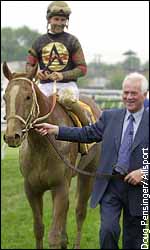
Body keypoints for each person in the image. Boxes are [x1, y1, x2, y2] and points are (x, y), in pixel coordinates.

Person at [34, 72, 149, 249]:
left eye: (134, 93)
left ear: (145, 94)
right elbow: (87, 133)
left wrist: (145, 171)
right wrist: (56, 129)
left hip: (139, 190)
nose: (129, 97)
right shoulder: (110, 117)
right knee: (107, 231)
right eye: (126, 93)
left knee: (135, 241)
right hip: (110, 185)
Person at [26, 1, 93, 125]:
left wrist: (62, 75)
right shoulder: (39, 42)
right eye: (56, 19)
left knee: (67, 99)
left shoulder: (73, 41)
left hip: (67, 87)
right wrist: (36, 73)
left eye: (63, 20)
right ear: (49, 20)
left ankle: (86, 130)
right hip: (44, 87)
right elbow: (29, 64)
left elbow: (82, 69)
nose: (60, 23)